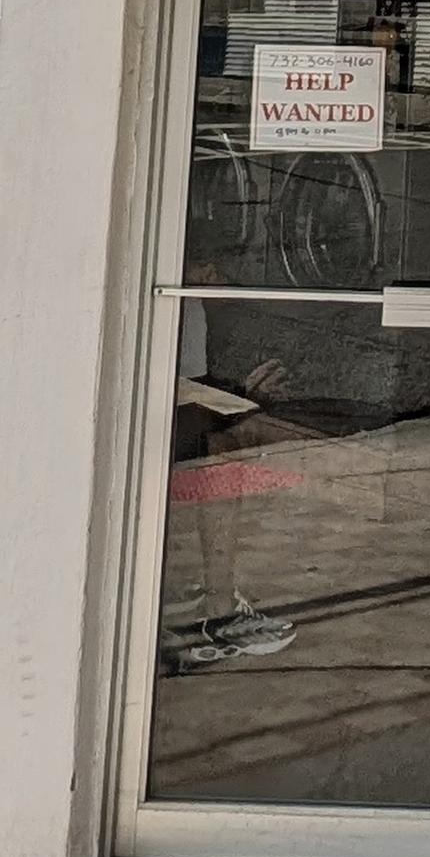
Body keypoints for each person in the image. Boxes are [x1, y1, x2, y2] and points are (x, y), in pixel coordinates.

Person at [165, 278, 295, 668]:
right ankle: (218, 610)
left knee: (229, 439)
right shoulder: (181, 299)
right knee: (225, 453)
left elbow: (191, 391)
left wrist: (240, 397)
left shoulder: (194, 307)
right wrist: (243, 403)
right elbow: (187, 411)